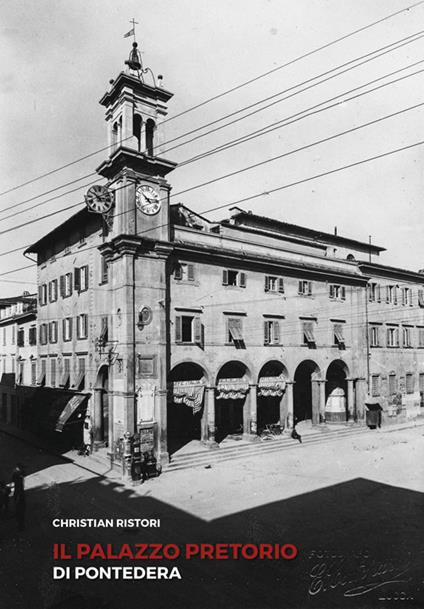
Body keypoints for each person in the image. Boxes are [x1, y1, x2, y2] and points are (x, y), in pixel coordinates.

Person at [11, 464, 25, 531]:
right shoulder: (20, 476)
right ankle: (20, 524)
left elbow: (13, 481)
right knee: (19, 510)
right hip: (19, 494)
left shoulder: (18, 477)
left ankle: (20, 526)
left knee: (20, 511)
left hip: (19, 495)